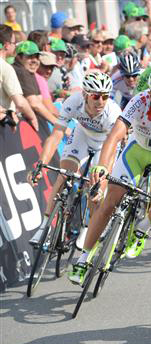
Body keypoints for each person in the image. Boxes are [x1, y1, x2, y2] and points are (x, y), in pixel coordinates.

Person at [69, 66, 151, 284]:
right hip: (135, 151)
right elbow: (115, 136)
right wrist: (102, 167)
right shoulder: (139, 101)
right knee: (108, 205)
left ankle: (142, 229)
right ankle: (84, 258)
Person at [28, 71, 120, 248]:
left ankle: (88, 226)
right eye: (95, 96)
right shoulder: (73, 102)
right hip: (82, 136)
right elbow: (56, 134)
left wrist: (101, 176)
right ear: (85, 94)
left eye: (105, 96)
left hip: (105, 144)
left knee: (95, 189)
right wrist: (41, 164)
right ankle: (44, 227)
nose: (100, 101)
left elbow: (111, 148)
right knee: (64, 174)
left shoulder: (113, 112)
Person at [0, 24, 38, 130]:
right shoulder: (6, 67)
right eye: (14, 43)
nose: (15, 46)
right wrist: (32, 117)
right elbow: (20, 102)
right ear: (7, 45)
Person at [12, 40, 58, 125]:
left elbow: (39, 100)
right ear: (19, 57)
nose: (35, 61)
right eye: (30, 56)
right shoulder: (20, 71)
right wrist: (59, 125)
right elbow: (34, 104)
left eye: (37, 57)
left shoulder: (29, 72)